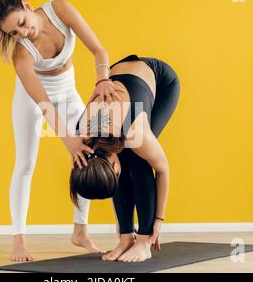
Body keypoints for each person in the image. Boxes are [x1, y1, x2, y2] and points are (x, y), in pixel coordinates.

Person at [0, 0, 123, 261]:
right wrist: (67, 140)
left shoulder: (60, 10)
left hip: (68, 92)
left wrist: (102, 80)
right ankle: (19, 240)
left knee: (89, 151)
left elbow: (99, 51)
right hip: (34, 100)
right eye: (14, 33)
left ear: (27, 6)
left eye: (23, 23)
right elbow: (44, 104)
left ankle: (80, 231)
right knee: (25, 163)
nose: (24, 34)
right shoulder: (21, 54)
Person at [70, 54, 180, 262]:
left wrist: (158, 220)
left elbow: (163, 169)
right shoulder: (82, 139)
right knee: (126, 155)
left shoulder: (134, 132)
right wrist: (124, 228)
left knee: (138, 160)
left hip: (160, 79)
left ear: (112, 163)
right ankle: (127, 239)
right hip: (123, 81)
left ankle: (144, 241)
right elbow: (101, 169)